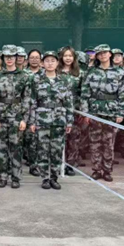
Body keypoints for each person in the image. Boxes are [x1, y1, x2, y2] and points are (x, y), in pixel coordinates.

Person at [80, 44, 124, 182]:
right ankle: (96, 170)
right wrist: (85, 113)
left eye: (105, 53)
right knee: (95, 142)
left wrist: (120, 112)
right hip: (95, 110)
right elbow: (85, 93)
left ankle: (107, 170)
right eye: (99, 53)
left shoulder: (120, 72)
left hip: (111, 111)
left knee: (109, 142)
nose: (102, 55)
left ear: (110, 54)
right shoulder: (91, 72)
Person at [26, 51, 74, 190]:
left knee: (57, 151)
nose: (50, 63)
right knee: (42, 150)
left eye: (53, 60)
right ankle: (45, 178)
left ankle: (54, 178)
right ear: (42, 63)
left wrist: (69, 121)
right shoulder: (36, 79)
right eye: (47, 61)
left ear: (57, 63)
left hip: (59, 120)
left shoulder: (64, 80)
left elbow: (68, 102)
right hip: (42, 120)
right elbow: (32, 101)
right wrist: (32, 121)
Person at [0, 45, 30, 188]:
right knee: (1, 148)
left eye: (12, 56)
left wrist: (24, 119)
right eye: (6, 57)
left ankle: (16, 178)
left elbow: (27, 98)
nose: (9, 59)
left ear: (16, 58)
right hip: (1, 116)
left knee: (16, 148)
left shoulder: (24, 76)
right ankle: (2, 177)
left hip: (17, 116)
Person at [57, 47, 83, 176]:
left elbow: (83, 92)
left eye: (70, 56)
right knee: (58, 138)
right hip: (58, 110)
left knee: (73, 138)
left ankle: (70, 165)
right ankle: (57, 164)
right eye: (65, 55)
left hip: (74, 110)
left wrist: (82, 109)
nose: (68, 58)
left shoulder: (80, 73)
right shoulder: (56, 72)